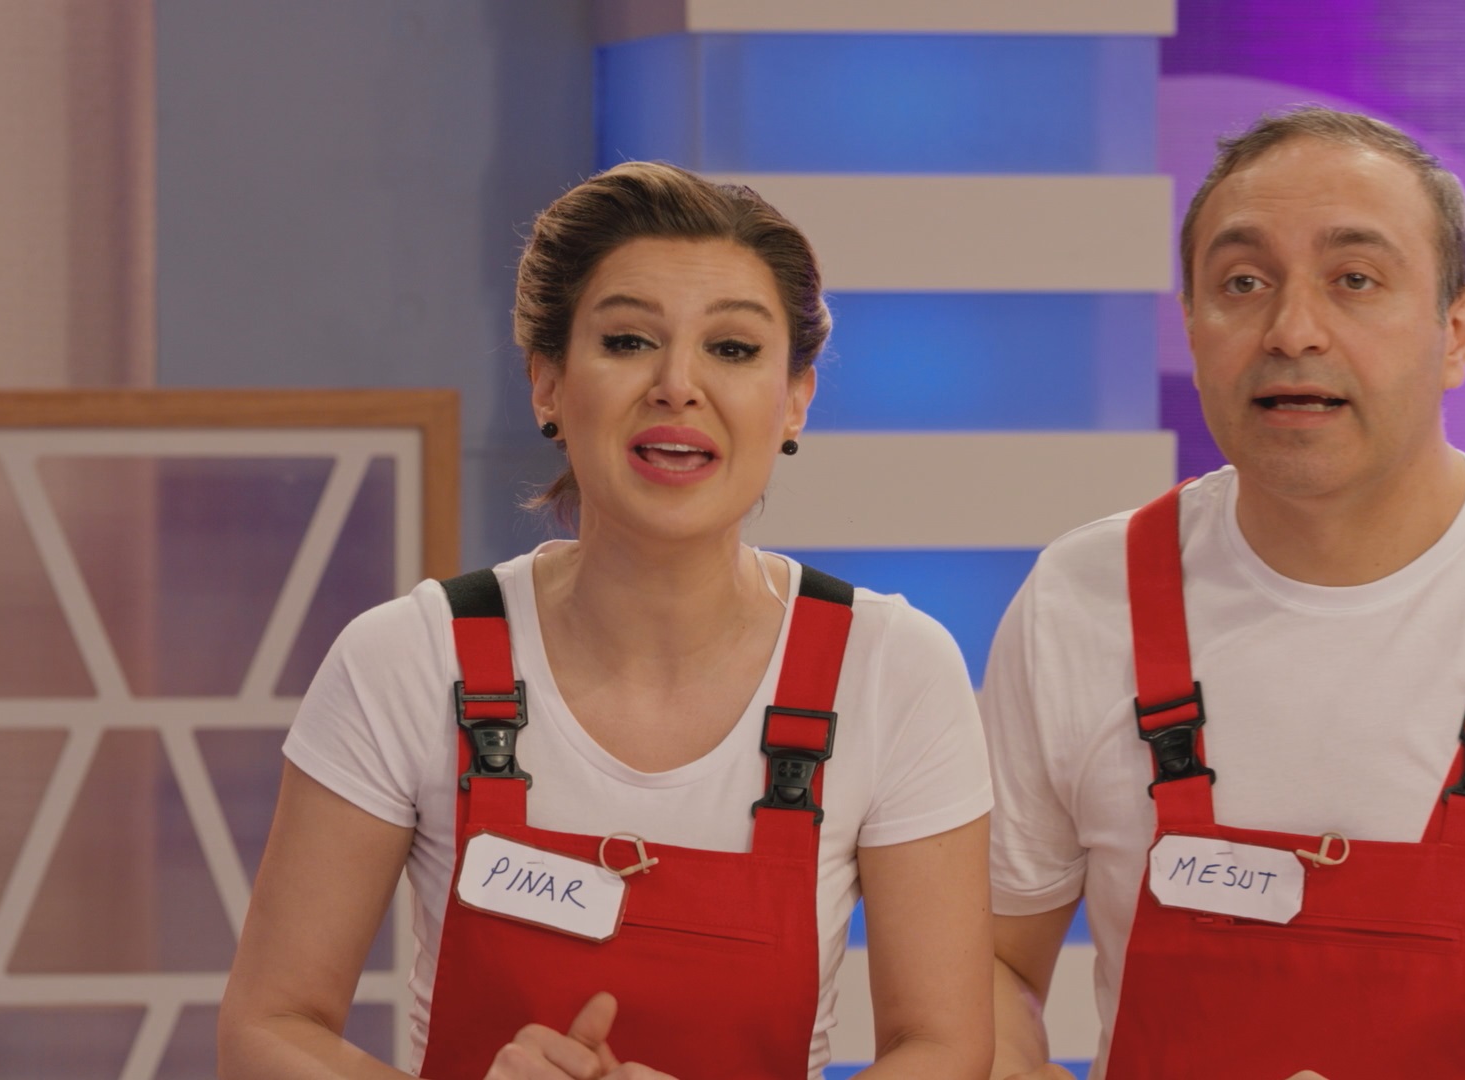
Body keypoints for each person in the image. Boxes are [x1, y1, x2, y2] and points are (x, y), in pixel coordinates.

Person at [982, 107, 1465, 1080]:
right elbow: (984, 966)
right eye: (1243, 283)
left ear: (1457, 331)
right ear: (1190, 324)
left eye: (1354, 280)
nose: (1292, 331)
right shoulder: (1082, 596)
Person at [218, 162, 995, 1080]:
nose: (677, 385)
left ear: (796, 399)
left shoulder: (893, 671)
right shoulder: (407, 659)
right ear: (547, 382)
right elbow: (266, 1028)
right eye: (628, 341)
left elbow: (945, 1049)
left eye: (733, 349)